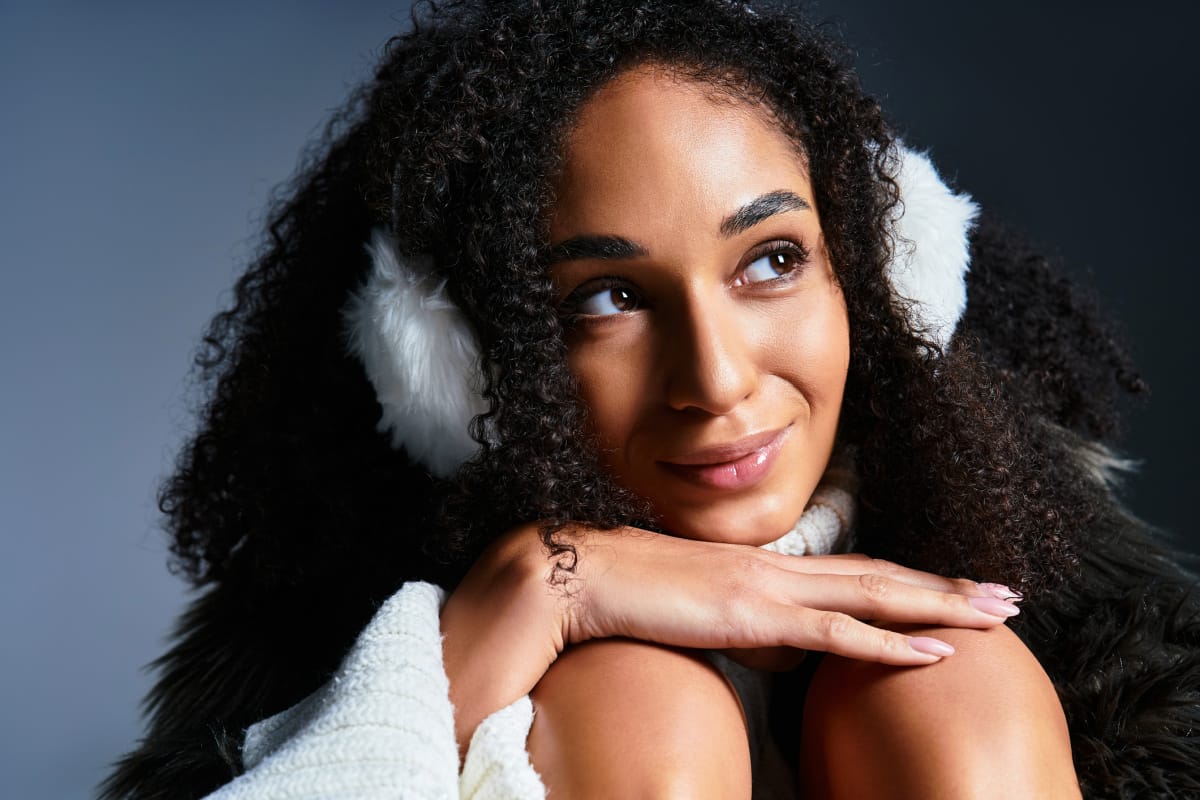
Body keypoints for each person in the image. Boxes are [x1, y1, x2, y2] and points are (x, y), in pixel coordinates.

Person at [102, 1, 1200, 798]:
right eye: (611, 297)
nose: (717, 379)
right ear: (466, 362)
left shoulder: (1045, 597)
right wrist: (532, 593)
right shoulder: (327, 632)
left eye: (772, 259)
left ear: (871, 274)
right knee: (635, 699)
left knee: (944, 676)